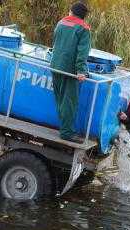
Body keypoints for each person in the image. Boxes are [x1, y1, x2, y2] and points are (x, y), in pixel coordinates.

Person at [51, 2, 91, 141]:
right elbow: (82, 52)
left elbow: (55, 42)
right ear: (83, 16)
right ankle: (67, 133)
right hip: (70, 70)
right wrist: (81, 71)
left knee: (60, 99)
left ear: (71, 11)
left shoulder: (61, 23)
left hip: (55, 65)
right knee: (69, 102)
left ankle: (64, 128)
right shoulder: (83, 28)